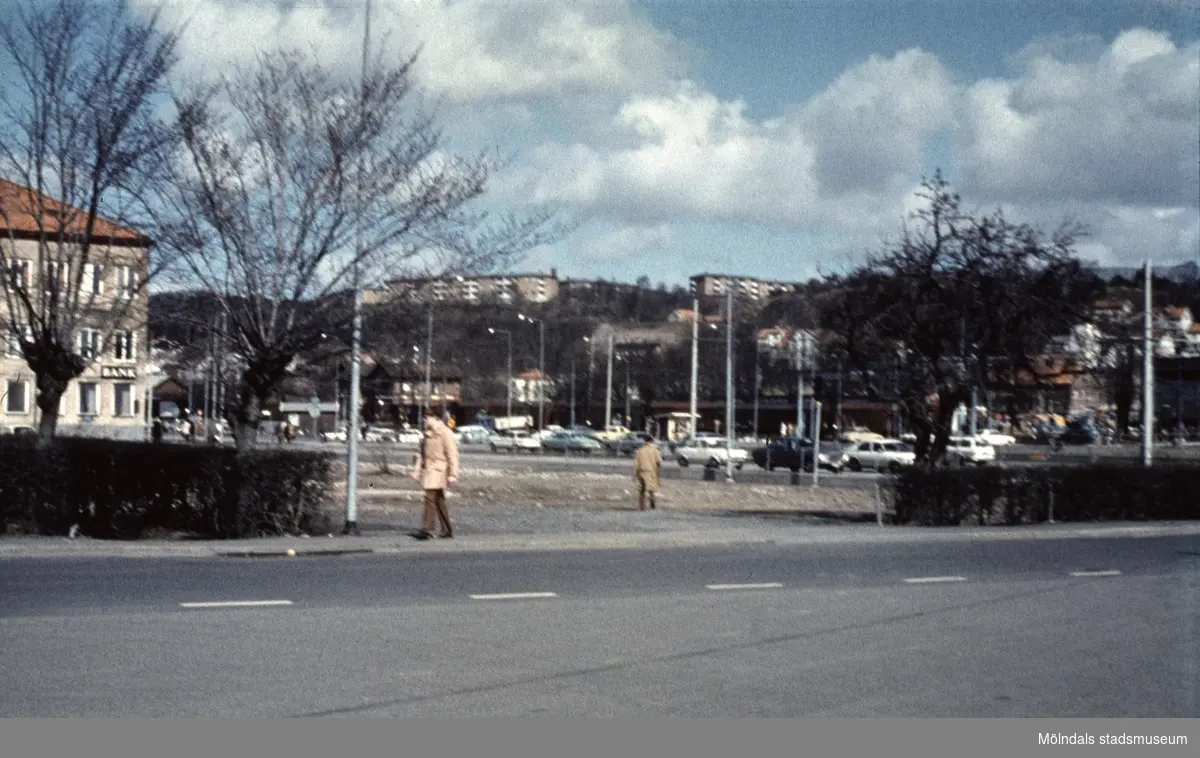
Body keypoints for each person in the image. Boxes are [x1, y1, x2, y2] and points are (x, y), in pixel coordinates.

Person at [411, 407, 460, 540]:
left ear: (435, 418)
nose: (424, 420)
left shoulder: (445, 433)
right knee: (438, 501)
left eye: (427, 418)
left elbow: (452, 454)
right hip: (429, 470)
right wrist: (416, 471)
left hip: (439, 470)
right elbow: (421, 454)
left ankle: (426, 528)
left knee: (429, 497)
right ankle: (447, 530)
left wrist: (453, 474)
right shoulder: (426, 434)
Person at [633, 436, 661, 511]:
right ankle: (652, 504)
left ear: (645, 441)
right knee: (651, 489)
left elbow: (636, 463)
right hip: (652, 471)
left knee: (642, 490)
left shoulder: (639, 450)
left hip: (642, 472)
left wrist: (635, 474)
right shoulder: (655, 450)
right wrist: (658, 472)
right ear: (651, 442)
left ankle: (642, 506)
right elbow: (658, 462)